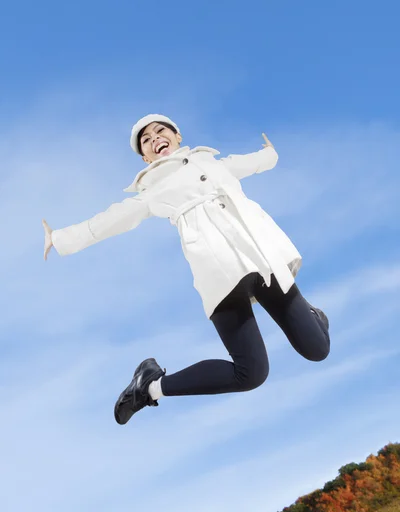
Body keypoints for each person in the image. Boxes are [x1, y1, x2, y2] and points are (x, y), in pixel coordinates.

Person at [42, 113, 330, 426]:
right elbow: (107, 221)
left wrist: (270, 153)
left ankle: (313, 316)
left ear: (177, 136)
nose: (154, 139)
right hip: (220, 273)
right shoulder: (151, 191)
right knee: (252, 374)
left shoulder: (214, 163)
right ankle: (149, 387)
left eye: (160, 131)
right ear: (145, 157)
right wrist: (60, 239)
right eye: (147, 141)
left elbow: (253, 162)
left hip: (261, 258)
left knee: (317, 350)